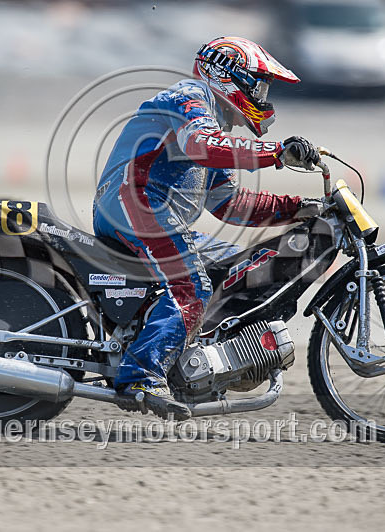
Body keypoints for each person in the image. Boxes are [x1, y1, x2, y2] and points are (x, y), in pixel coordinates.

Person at [92, 36, 322, 419]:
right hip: (133, 204)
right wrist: (276, 153)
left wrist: (300, 208)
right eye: (258, 85)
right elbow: (202, 145)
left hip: (156, 216)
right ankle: (140, 377)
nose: (262, 96)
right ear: (226, 73)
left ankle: (191, 360)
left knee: (236, 267)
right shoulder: (190, 98)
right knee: (191, 285)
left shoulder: (214, 127)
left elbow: (230, 205)